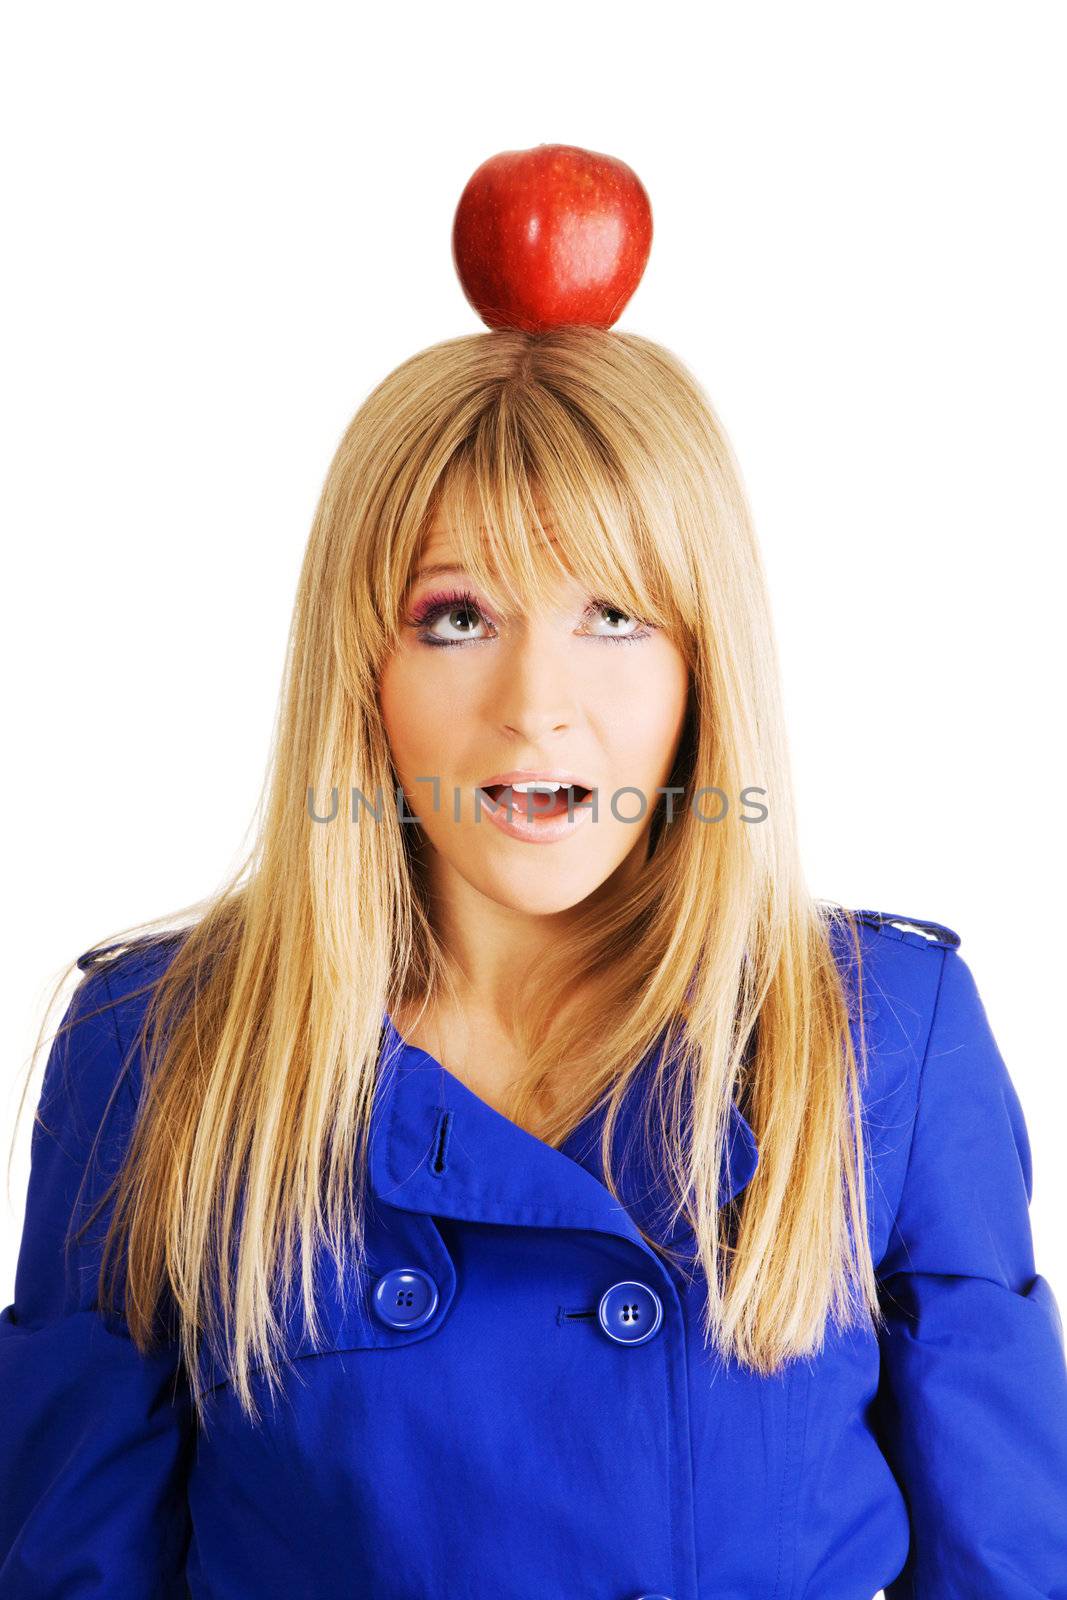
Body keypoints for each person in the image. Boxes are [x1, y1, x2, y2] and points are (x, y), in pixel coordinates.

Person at [3, 323, 1067, 1597]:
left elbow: (1009, 1566)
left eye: (612, 615)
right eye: (456, 616)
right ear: (363, 667)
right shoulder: (157, 1049)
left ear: (701, 665)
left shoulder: (883, 1033)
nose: (533, 702)